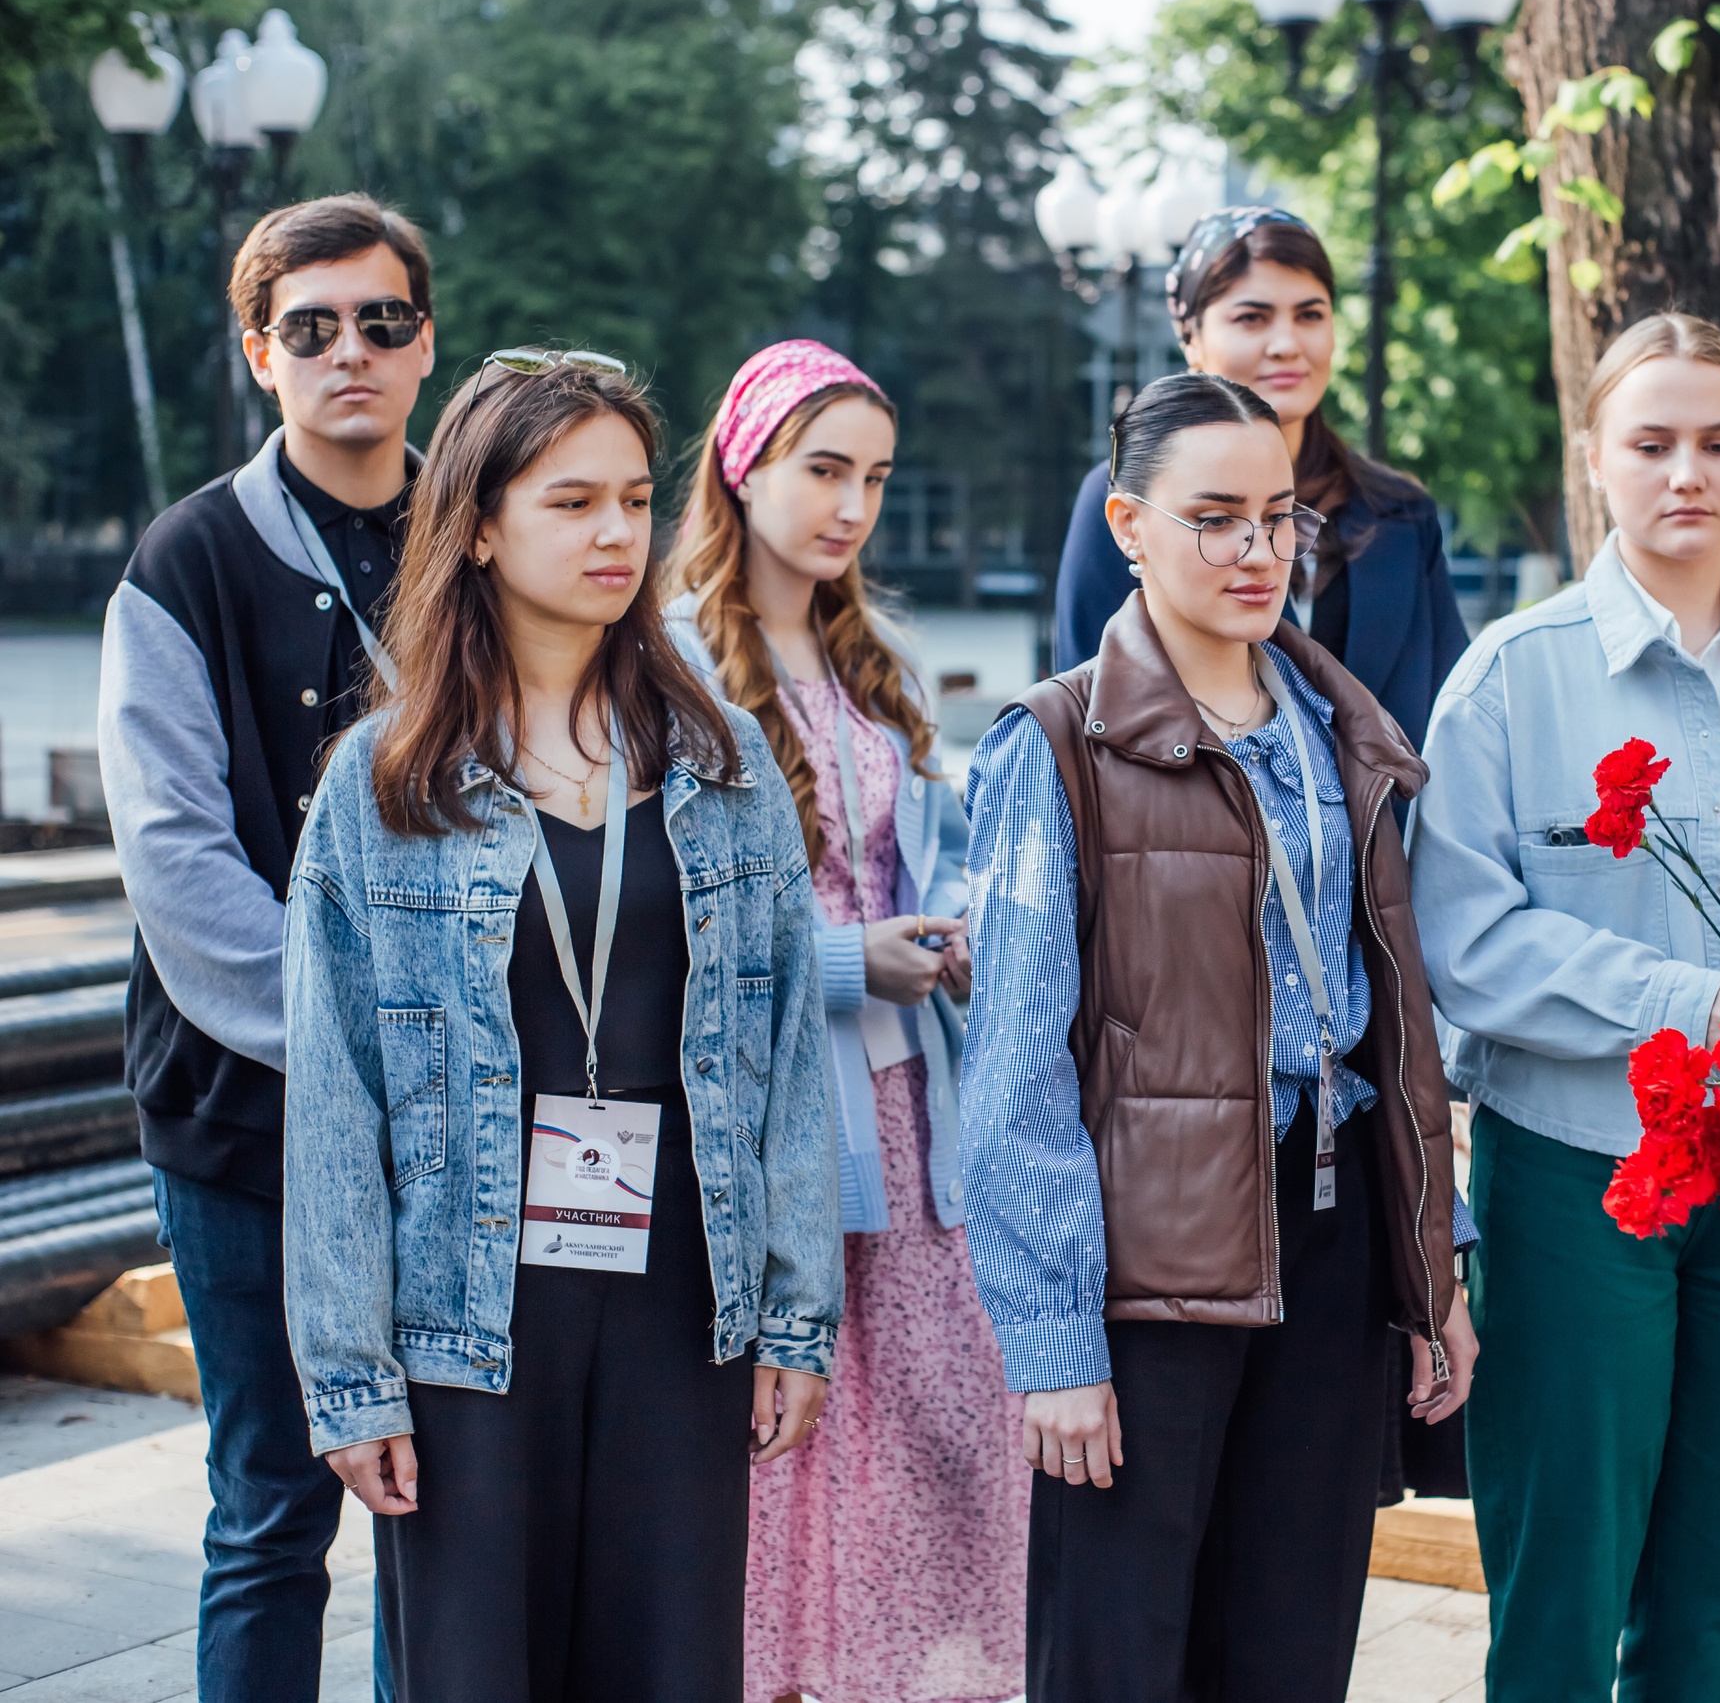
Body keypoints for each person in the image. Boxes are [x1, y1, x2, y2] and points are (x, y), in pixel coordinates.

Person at [278, 350, 844, 1701]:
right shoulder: (383, 781)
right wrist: (353, 1379)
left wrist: (796, 1316)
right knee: (478, 1669)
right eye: (572, 501)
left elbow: (784, 1062)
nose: (615, 533)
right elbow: (335, 1100)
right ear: (478, 527)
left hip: (680, 1285)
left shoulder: (720, 761)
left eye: (635, 499)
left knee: (671, 1665)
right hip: (471, 1304)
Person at [1406, 313, 1720, 1703]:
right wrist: (1690, 1003)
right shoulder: (1510, 677)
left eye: (1718, 441)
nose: (1685, 471)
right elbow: (1465, 944)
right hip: (1579, 1181)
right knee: (1562, 1577)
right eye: (1650, 442)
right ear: (1595, 458)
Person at [963, 371, 1479, 1702]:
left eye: (1278, 517)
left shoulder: (1338, 727)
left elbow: (1393, 1020)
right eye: (1215, 519)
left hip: (1331, 1221)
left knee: (1290, 1642)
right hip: (1147, 1244)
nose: (1258, 550)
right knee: (1119, 1652)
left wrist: (1434, 1265)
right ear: (1128, 525)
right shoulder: (1057, 743)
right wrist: (1055, 1342)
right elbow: (1015, 1069)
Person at [97, 193, 433, 1703]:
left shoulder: (486, 540)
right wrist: (369, 1046)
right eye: (310, 326)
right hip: (244, 1116)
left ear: (425, 343)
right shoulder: (182, 562)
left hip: (456, 1125)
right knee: (271, 1509)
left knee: (442, 1507)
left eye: (380, 320)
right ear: (259, 352)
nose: (347, 350)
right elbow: (179, 868)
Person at [664, 340, 1027, 1703]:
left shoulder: (878, 661)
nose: (853, 506)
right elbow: (660, 925)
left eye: (874, 477)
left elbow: (930, 858)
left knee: (937, 1441)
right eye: (824, 470)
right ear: (741, 466)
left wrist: (959, 931)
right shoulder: (669, 662)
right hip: (777, 1120)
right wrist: (840, 961)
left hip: (916, 1114)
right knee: (786, 1448)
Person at [1052, 207, 1466, 762]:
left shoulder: (1400, 513)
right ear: (1191, 336)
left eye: (1310, 314)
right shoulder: (1135, 503)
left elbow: (1453, 715)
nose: (1286, 344)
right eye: (1252, 318)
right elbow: (1090, 709)